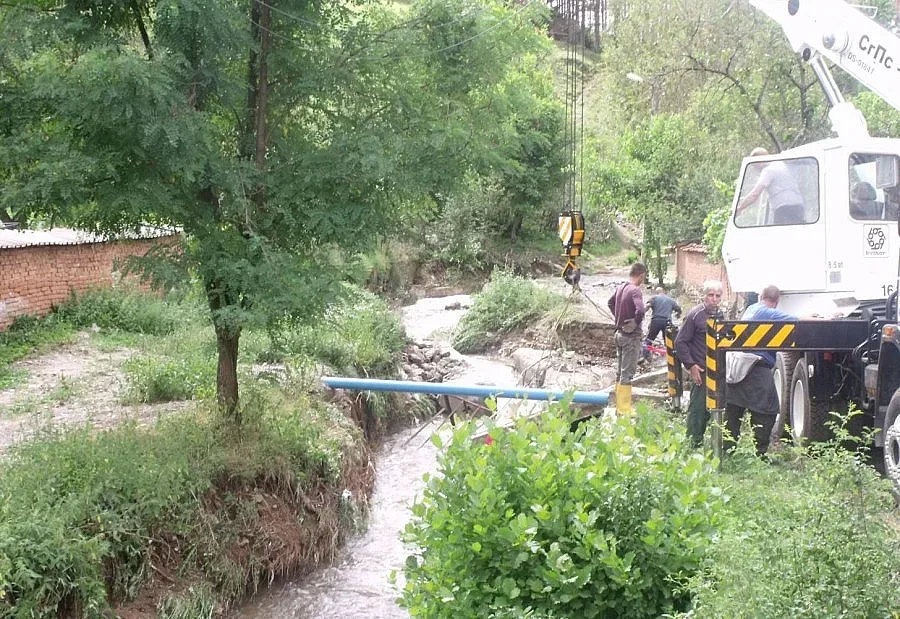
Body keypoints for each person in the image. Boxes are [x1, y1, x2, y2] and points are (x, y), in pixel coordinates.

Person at [724, 285, 797, 456]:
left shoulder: (751, 308)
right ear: (777, 301)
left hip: (738, 367)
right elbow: (796, 320)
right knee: (768, 410)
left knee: (734, 409)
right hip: (756, 368)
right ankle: (760, 453)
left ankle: (727, 450)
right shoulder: (768, 313)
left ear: (761, 297)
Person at [674, 280, 724, 447]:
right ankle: (693, 443)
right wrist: (691, 366)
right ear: (704, 296)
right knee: (698, 409)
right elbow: (680, 342)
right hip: (701, 370)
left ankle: (714, 444)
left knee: (716, 408)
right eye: (711, 295)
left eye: (718, 296)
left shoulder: (721, 316)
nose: (714, 299)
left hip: (717, 371)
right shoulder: (695, 315)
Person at [607, 262, 647, 415]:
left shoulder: (620, 287)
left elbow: (610, 303)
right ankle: (624, 410)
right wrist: (634, 322)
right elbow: (640, 310)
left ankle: (619, 406)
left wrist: (619, 318)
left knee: (619, 372)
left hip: (618, 334)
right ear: (641, 275)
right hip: (630, 337)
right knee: (627, 373)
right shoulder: (635, 290)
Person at [735, 147, 805, 225]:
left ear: (759, 160)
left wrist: (739, 208)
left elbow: (755, 194)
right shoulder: (781, 165)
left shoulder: (768, 170)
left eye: (754, 164)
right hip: (798, 207)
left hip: (784, 209)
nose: (754, 167)